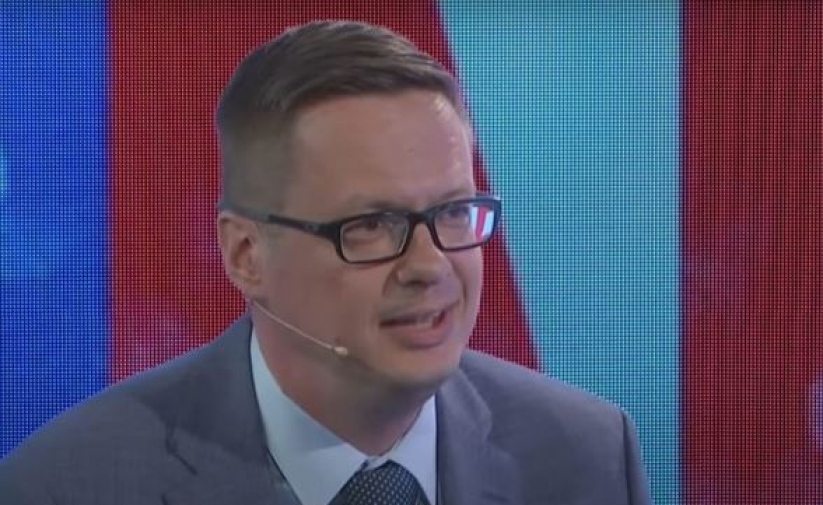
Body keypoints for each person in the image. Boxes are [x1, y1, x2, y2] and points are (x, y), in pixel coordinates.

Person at [0, 20, 652, 505]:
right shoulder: (67, 485)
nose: (430, 266)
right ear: (246, 255)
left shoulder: (587, 455)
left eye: (454, 211)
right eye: (371, 225)